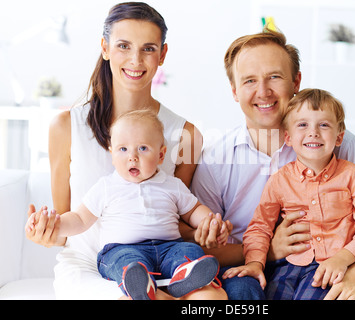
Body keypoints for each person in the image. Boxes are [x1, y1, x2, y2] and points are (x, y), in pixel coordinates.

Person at [24, 2, 219, 300]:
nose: (136, 60)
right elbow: (64, 229)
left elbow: (177, 217)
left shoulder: (186, 134)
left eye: (148, 48)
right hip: (90, 267)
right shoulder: (66, 126)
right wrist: (46, 232)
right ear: (105, 48)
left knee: (213, 299)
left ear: (162, 55)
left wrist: (206, 228)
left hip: (162, 262)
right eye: (124, 46)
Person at [190, 28, 355, 300]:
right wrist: (269, 251)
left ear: (296, 81)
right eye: (249, 81)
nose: (263, 91)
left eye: (274, 77)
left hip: (328, 268)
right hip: (248, 271)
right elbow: (202, 247)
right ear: (234, 91)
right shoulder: (215, 158)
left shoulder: (336, 142)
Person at [26, 110, 228, 300]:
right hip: (122, 249)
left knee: (190, 252)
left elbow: (193, 210)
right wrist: (56, 224)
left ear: (161, 155)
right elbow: (79, 219)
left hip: (169, 247)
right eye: (123, 149)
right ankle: (139, 281)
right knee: (128, 262)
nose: (132, 156)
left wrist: (210, 221)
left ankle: (184, 276)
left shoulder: (172, 185)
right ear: (112, 155)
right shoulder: (106, 187)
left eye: (142, 148)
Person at [223, 89, 355, 300]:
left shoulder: (353, 176)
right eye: (303, 125)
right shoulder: (279, 180)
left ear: (339, 137)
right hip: (286, 268)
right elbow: (260, 227)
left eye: (324, 125)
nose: (313, 132)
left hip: (330, 268)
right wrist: (255, 262)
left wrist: (343, 260)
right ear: (288, 138)